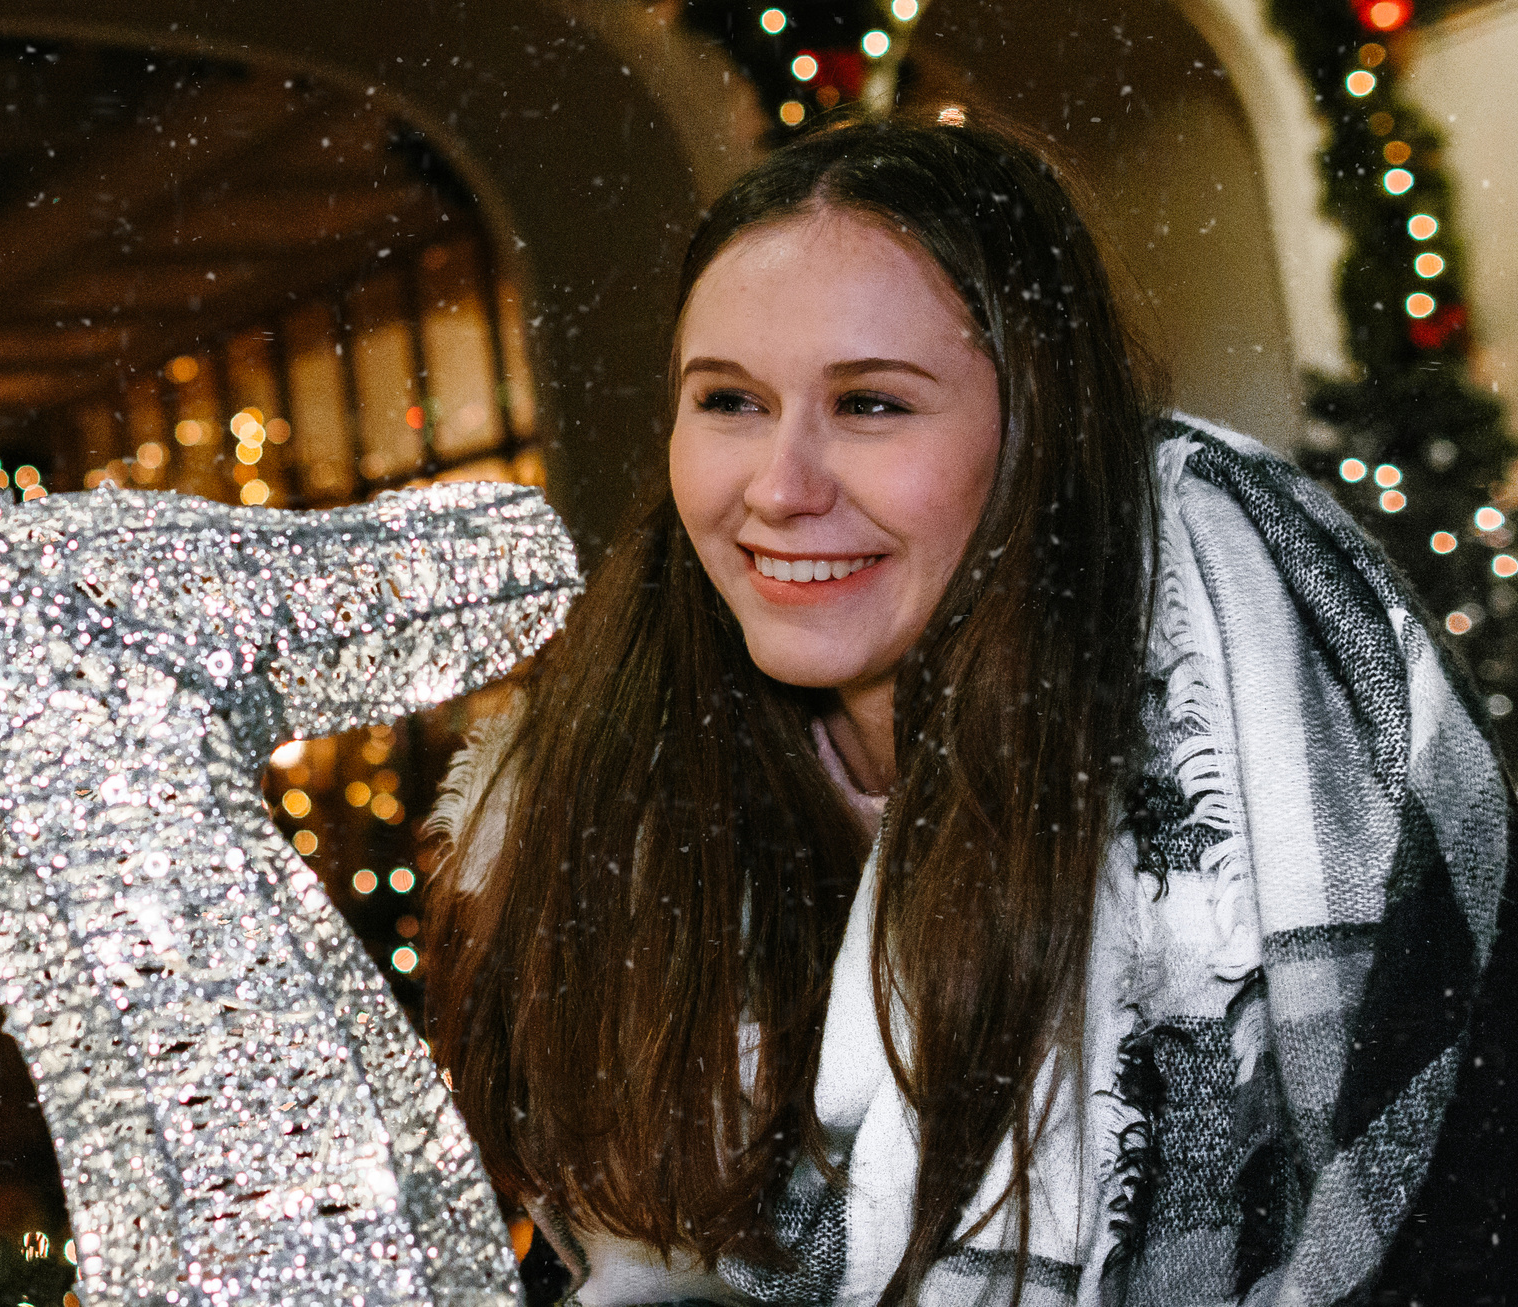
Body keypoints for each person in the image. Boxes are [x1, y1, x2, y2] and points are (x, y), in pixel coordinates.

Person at [424, 115, 1512, 1307]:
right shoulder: (596, 805)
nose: (779, 489)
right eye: (728, 401)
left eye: (873, 405)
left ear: (1036, 430)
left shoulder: (1261, 699)